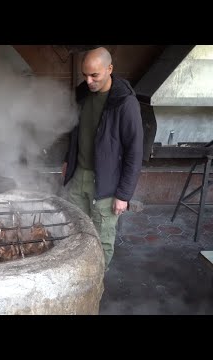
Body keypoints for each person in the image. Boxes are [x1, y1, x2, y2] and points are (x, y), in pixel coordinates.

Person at [62, 47, 143, 270]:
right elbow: (75, 132)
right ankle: (76, 276)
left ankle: (96, 284)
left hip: (107, 185)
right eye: (85, 75)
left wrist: (123, 194)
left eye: (94, 75)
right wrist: (69, 161)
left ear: (109, 69)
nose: (88, 81)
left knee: (101, 237)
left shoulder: (125, 103)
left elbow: (135, 152)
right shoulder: (83, 94)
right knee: (75, 228)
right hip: (78, 176)